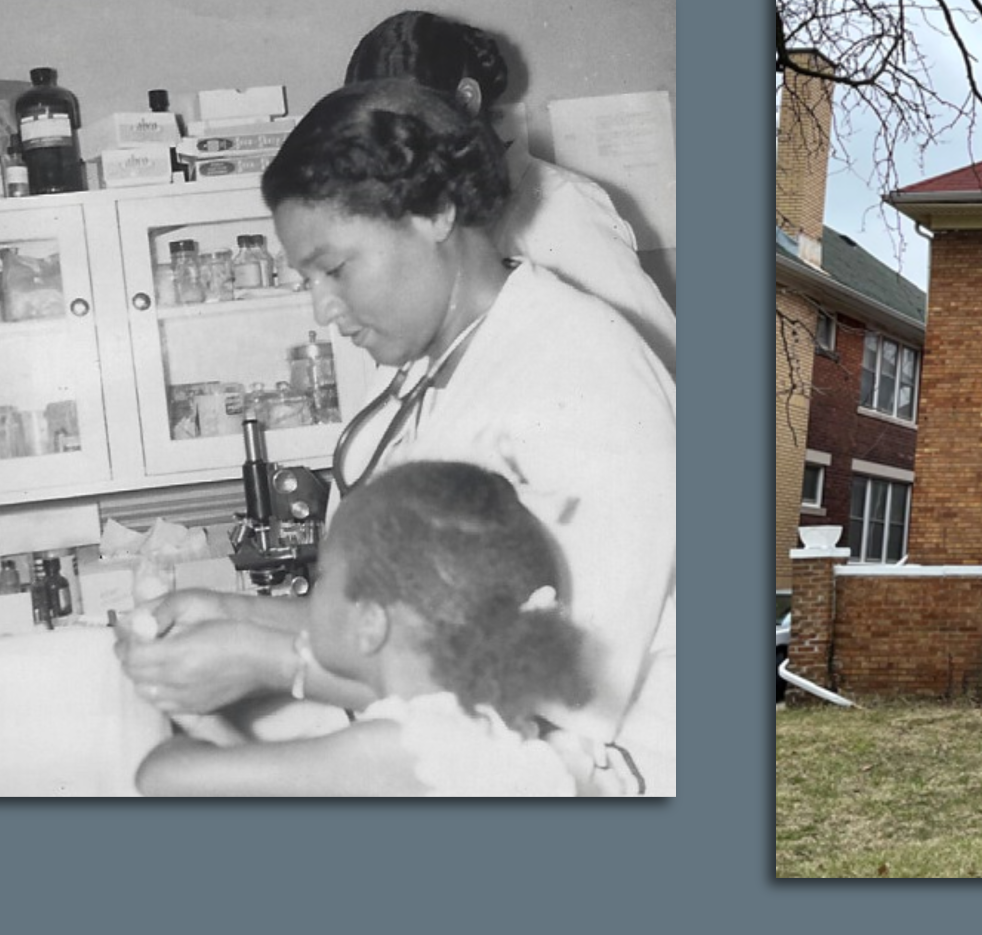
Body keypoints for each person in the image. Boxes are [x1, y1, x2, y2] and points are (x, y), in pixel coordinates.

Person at [117, 80, 676, 795]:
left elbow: (554, 678)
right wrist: (234, 612)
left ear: (435, 212)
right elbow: (432, 616)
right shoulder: (460, 361)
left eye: (335, 268)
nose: (322, 308)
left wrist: (272, 660)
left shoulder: (585, 376)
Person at [135, 461, 590, 796]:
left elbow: (163, 779)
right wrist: (197, 718)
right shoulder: (475, 728)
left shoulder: (410, 745)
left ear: (370, 623)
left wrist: (171, 745)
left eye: (325, 577)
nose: (312, 594)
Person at [345, 9, 677, 375]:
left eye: (407, 121)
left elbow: (658, 360)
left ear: (467, 100)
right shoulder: (432, 224)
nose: (393, 149)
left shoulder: (564, 206)